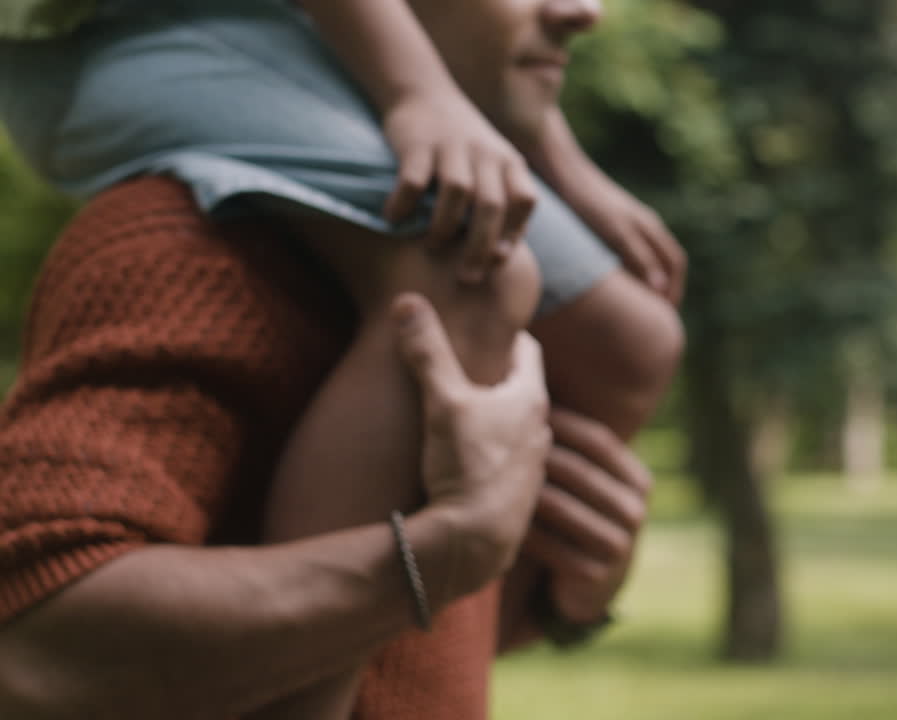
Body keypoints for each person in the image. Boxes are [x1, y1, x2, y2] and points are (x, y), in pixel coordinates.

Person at [0, 0, 684, 718]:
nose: (584, 11)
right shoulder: (190, 253)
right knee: (474, 270)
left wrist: (549, 599)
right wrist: (433, 556)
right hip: (125, 36)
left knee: (635, 342)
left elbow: (402, 633)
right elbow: (33, 643)